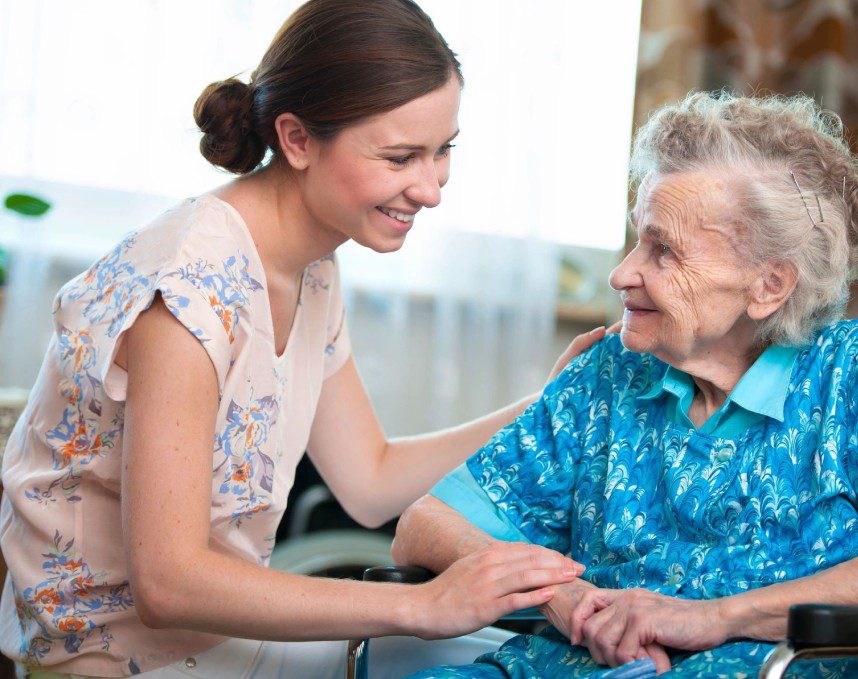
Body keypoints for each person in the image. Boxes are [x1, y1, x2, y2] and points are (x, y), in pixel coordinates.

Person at [0, 1, 605, 676]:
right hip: (109, 654)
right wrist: (425, 604)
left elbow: (370, 479)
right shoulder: (188, 290)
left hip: (213, 638)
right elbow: (168, 583)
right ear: (296, 140)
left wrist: (549, 400)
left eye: (443, 151)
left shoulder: (310, 262)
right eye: (401, 156)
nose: (431, 189)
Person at [392, 91, 858, 678]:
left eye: (663, 251)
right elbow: (424, 525)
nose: (622, 272)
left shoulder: (857, 369)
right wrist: (567, 598)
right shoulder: (611, 372)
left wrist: (716, 618)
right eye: (638, 237)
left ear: (769, 286)